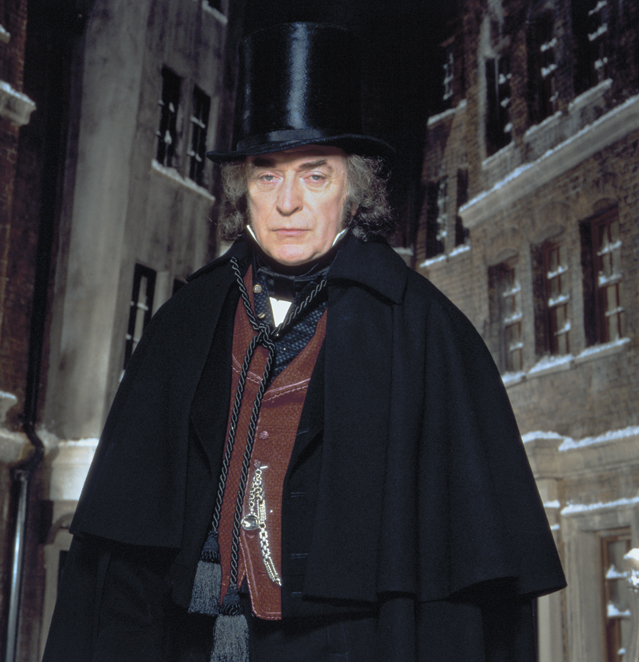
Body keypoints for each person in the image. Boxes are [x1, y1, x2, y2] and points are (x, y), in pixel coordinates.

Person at [43, 22, 565, 662]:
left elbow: (469, 597)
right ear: (243, 189)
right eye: (267, 177)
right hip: (189, 641)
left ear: (354, 190)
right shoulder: (183, 322)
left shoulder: (427, 335)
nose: (287, 202)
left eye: (314, 176)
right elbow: (115, 566)